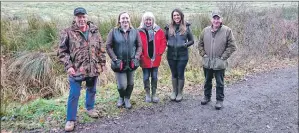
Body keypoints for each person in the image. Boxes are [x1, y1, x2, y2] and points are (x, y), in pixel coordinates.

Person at [57, 7, 106, 131]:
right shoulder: (67, 32)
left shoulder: (94, 30)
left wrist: (102, 64)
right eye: (79, 17)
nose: (81, 19)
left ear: (87, 17)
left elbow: (101, 49)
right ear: (75, 18)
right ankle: (70, 119)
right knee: (74, 94)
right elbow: (62, 52)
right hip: (76, 70)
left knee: (92, 90)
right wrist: (68, 66)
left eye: (83, 16)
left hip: (92, 68)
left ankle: (90, 108)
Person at [198, 10, 237, 110]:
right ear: (211, 20)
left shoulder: (227, 31)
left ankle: (219, 100)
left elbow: (232, 46)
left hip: (220, 63)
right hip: (207, 62)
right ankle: (207, 97)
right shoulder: (205, 30)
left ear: (221, 20)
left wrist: (223, 57)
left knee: (220, 83)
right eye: (214, 18)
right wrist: (204, 54)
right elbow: (200, 44)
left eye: (218, 18)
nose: (216, 20)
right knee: (207, 81)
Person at [106, 12, 142, 109]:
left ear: (129, 19)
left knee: (130, 83)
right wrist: (115, 59)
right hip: (119, 63)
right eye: (123, 18)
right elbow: (108, 46)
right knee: (122, 85)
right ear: (119, 20)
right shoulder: (113, 31)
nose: (125, 20)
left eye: (126, 18)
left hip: (131, 63)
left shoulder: (135, 32)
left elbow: (139, 46)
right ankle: (121, 97)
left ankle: (127, 98)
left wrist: (136, 57)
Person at [164, 8, 194, 102]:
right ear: (172, 17)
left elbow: (192, 41)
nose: (176, 17)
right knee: (174, 73)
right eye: (174, 15)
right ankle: (174, 91)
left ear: (181, 16)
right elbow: (164, 40)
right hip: (171, 55)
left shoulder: (187, 27)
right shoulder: (168, 27)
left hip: (183, 55)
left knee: (180, 73)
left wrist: (185, 45)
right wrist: (166, 44)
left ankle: (180, 92)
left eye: (178, 15)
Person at [138, 12, 167, 103]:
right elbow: (137, 44)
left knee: (154, 77)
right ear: (143, 21)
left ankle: (154, 94)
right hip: (144, 59)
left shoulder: (159, 30)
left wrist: (160, 53)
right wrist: (141, 55)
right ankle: (147, 94)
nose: (148, 21)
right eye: (146, 20)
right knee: (146, 77)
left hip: (155, 58)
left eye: (150, 20)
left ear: (153, 20)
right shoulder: (139, 31)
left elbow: (163, 42)